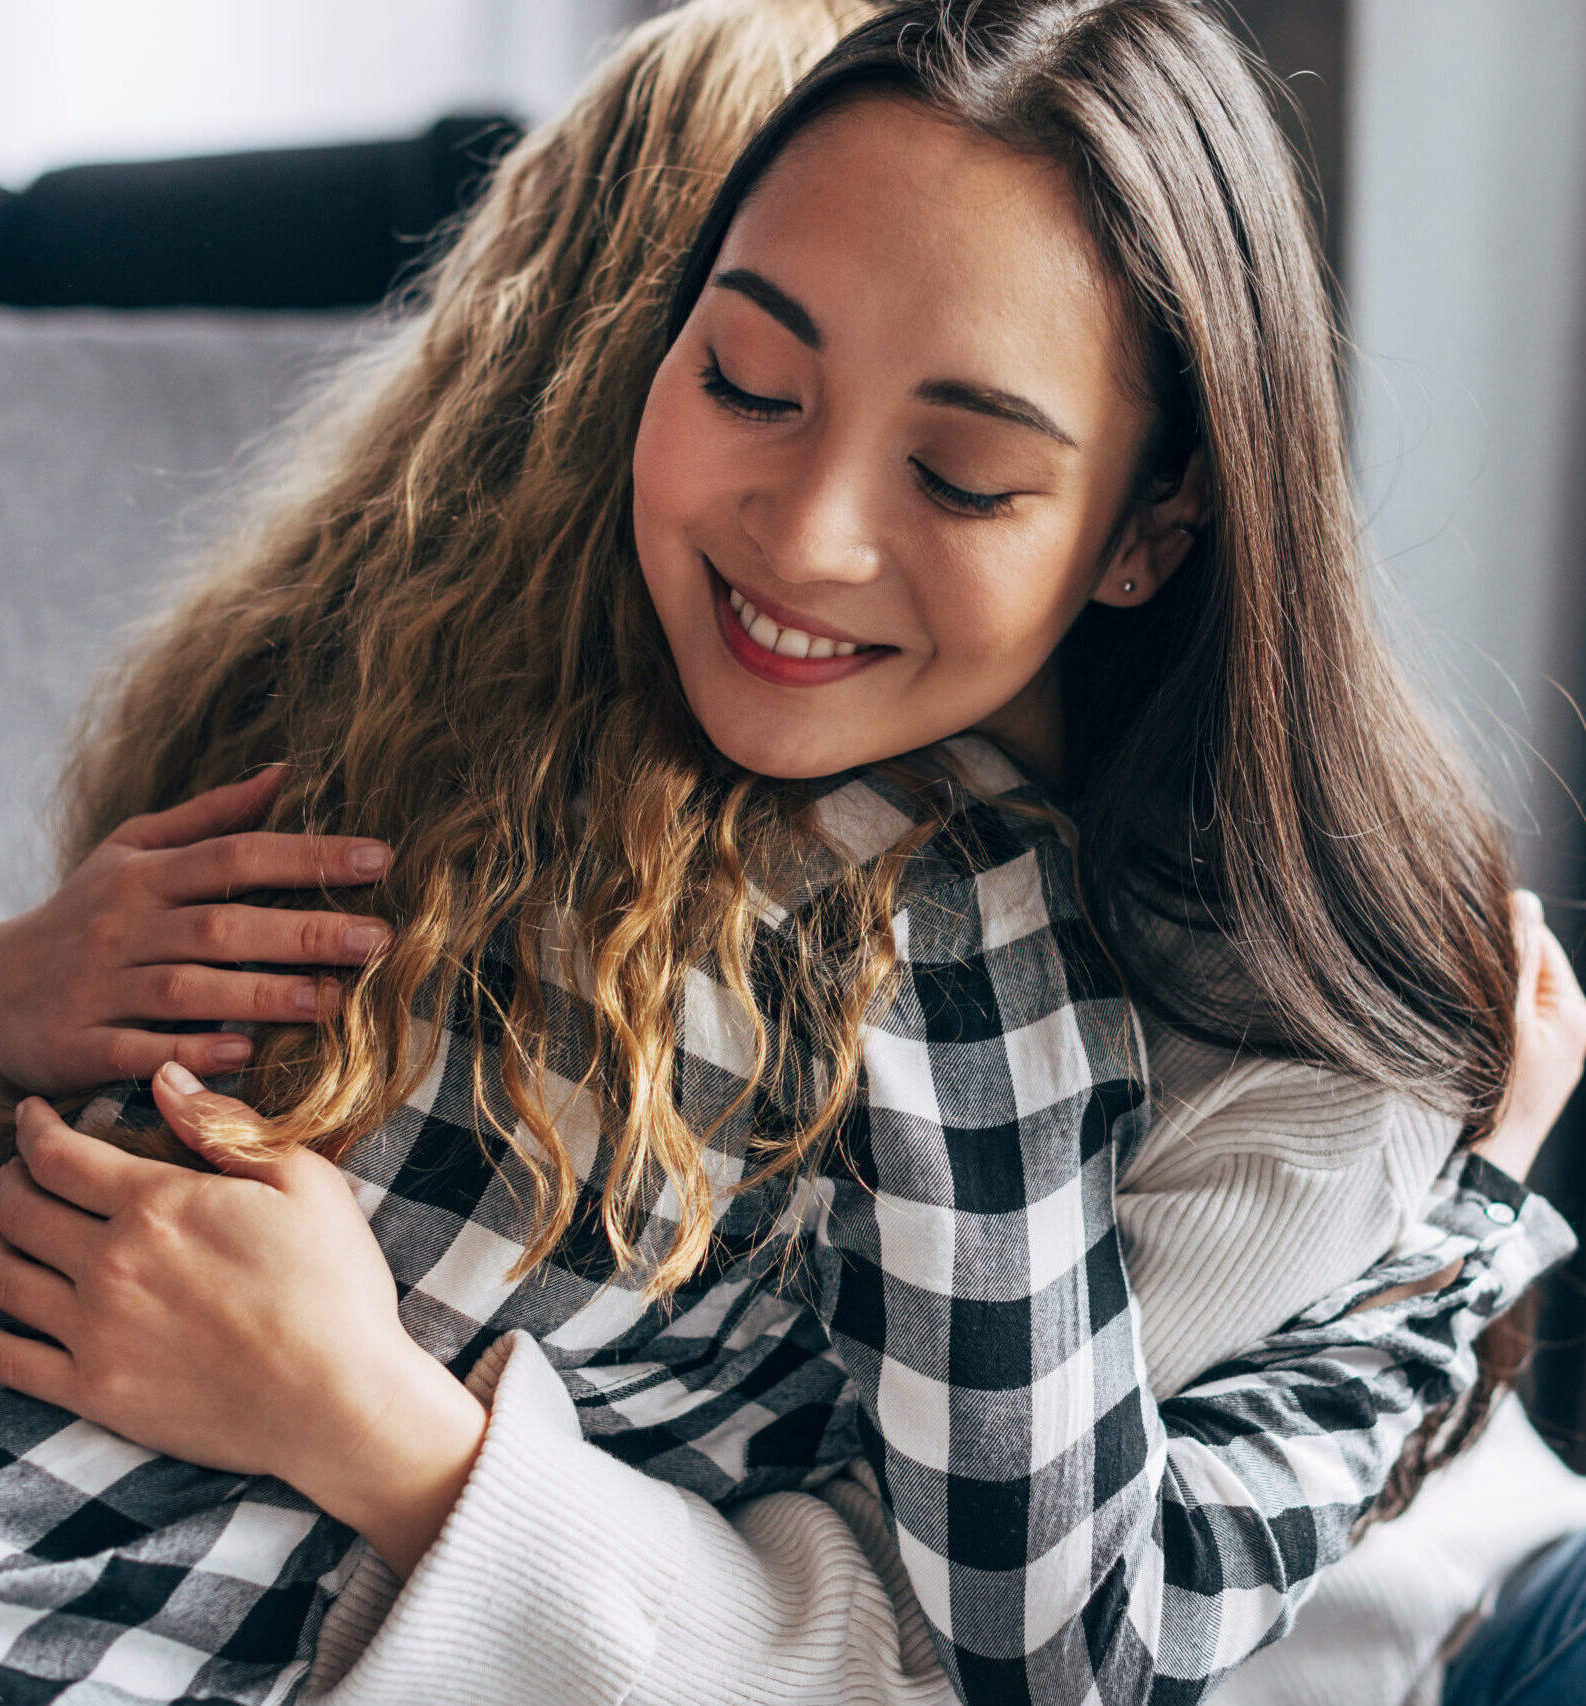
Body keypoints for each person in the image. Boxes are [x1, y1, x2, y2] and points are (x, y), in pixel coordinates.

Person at [0, 2, 1578, 1704]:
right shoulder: (421, 663)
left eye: (963, 478)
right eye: (746, 381)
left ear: (1147, 527)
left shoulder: (968, 935)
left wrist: (1450, 1248)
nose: (807, 536)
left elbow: (1051, 1648)